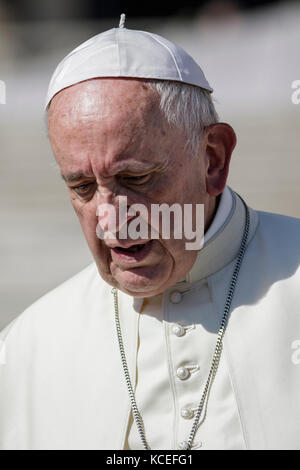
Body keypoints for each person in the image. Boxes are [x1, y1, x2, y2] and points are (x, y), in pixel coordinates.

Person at [0, 16, 300, 450]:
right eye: (82, 187)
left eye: (136, 179)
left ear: (213, 160)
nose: (110, 219)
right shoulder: (26, 349)